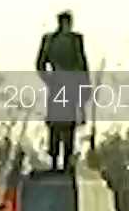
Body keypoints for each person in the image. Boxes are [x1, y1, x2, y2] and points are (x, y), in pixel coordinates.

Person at [35, 11, 89, 171]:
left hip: (65, 83)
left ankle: (64, 161)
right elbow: (40, 63)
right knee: (56, 123)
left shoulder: (75, 39)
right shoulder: (51, 39)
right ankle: (55, 160)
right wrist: (49, 79)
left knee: (66, 124)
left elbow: (82, 64)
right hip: (59, 83)